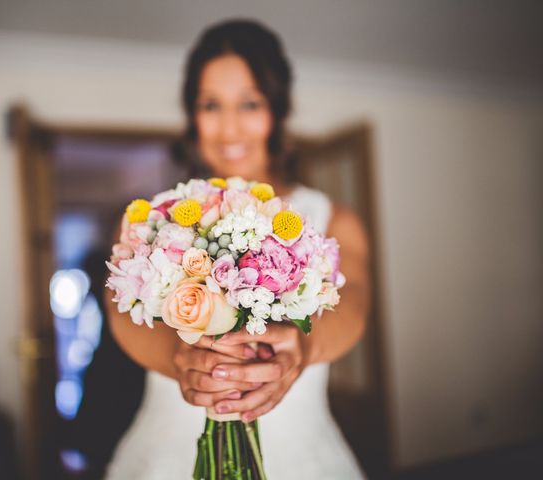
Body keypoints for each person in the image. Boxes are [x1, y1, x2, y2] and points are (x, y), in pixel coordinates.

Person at [104, 19, 370, 479]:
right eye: (211, 105)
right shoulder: (150, 218)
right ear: (192, 115)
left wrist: (300, 351)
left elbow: (353, 310)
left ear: (278, 111)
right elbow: (122, 317)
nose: (229, 128)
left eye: (249, 103)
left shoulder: (332, 218)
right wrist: (179, 357)